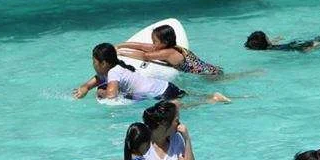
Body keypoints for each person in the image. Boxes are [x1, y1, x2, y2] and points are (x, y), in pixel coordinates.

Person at [74, 43, 230, 104]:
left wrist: (101, 92)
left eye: (94, 62)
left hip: (159, 94)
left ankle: (214, 99)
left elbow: (111, 96)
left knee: (186, 105)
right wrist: (84, 88)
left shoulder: (114, 72)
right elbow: (92, 82)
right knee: (190, 98)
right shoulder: (113, 69)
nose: (92, 64)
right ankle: (214, 97)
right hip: (164, 87)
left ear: (103, 63)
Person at [117, 24, 224, 76]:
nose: (153, 44)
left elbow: (145, 56)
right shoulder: (170, 46)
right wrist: (119, 45)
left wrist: (120, 53)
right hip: (209, 69)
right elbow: (141, 46)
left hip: (208, 75)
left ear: (164, 43)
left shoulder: (169, 53)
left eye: (155, 41)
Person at [244, 31, 320, 52]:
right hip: (294, 47)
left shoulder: (264, 48)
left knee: (319, 40)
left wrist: (275, 40)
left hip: (290, 47)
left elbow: (269, 45)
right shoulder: (269, 47)